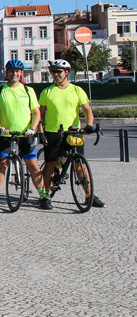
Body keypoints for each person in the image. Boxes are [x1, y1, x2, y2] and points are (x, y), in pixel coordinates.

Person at [38, 58, 104, 209]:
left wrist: (89, 125)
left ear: (67, 72)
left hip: (73, 133)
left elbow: (88, 111)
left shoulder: (77, 90)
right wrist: (40, 132)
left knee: (79, 164)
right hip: (52, 132)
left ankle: (89, 196)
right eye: (53, 72)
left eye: (59, 72)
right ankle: (45, 196)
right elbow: (40, 115)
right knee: (50, 164)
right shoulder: (47, 92)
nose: (56, 75)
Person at [0, 59, 43, 208]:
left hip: (26, 134)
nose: (14, 74)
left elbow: (36, 113)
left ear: (21, 73)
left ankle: (44, 196)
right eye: (11, 71)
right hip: (7, 134)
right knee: (2, 164)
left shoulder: (28, 91)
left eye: (17, 71)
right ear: (6, 73)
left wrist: (33, 128)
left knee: (33, 165)